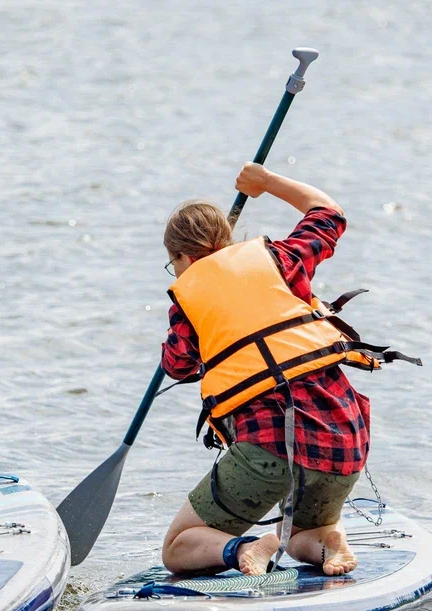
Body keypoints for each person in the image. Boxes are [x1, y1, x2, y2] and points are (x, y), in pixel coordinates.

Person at [159, 163, 415, 578]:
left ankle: (244, 548)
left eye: (175, 266)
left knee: (177, 549)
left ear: (184, 258)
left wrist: (185, 312)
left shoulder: (188, 304)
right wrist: (265, 182)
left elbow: (176, 364)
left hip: (270, 449)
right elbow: (328, 213)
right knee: (300, 538)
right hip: (344, 438)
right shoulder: (283, 259)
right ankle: (329, 541)